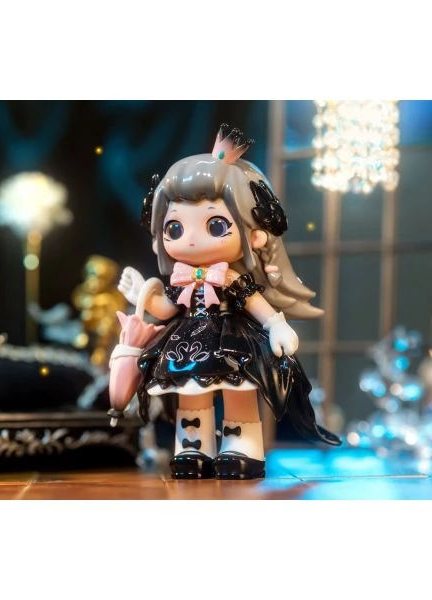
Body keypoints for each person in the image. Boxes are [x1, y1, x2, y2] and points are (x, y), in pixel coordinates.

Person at [115, 124, 341, 480]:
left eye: (215, 225)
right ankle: (192, 448)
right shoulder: (182, 278)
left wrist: (276, 324)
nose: (191, 240)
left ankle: (241, 448)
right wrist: (144, 293)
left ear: (254, 233)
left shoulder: (231, 278)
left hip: (232, 340)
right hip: (187, 343)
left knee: (239, 390)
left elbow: (254, 302)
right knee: (191, 394)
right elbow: (168, 310)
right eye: (175, 229)